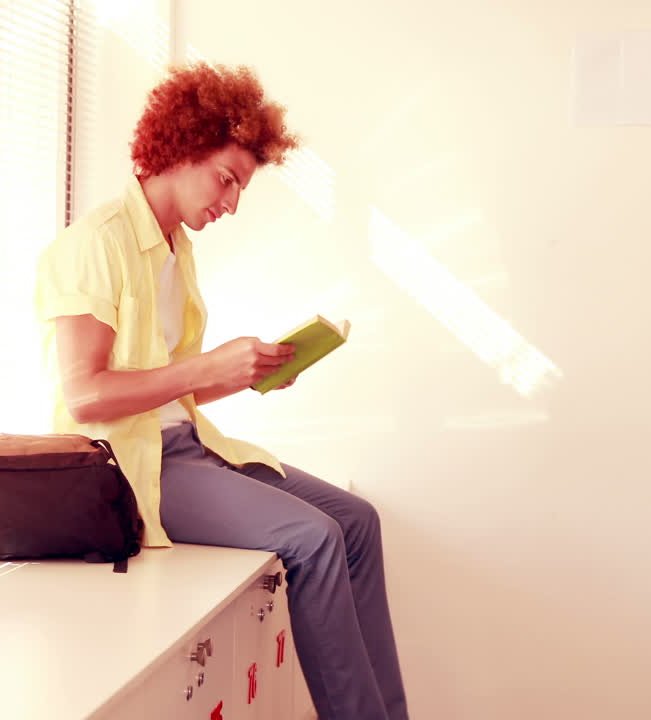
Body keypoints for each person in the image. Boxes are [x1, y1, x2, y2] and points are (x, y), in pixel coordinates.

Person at [35, 62, 409, 720]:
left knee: (355, 522)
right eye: (227, 179)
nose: (232, 203)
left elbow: (163, 390)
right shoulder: (94, 245)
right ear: (180, 150)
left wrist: (244, 376)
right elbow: (87, 396)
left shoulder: (175, 251)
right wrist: (207, 369)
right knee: (314, 537)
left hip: (183, 447)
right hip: (127, 470)